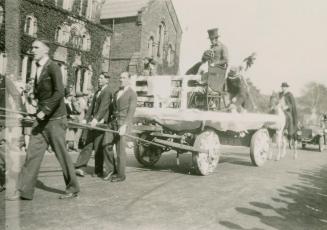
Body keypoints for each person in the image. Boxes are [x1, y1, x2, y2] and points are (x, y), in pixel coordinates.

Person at [6, 39, 80, 200]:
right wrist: (33, 97)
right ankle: (24, 190)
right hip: (41, 121)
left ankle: (73, 187)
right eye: (32, 47)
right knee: (32, 154)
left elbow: (59, 92)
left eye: (36, 47)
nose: (33, 50)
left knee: (61, 155)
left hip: (55, 120)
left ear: (46, 50)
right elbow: (43, 93)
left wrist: (44, 111)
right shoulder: (38, 67)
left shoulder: (53, 67)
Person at [74, 73, 113, 177]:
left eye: (101, 78)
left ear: (107, 80)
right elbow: (91, 107)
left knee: (98, 146)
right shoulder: (97, 92)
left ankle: (98, 170)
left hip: (100, 123)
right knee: (88, 144)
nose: (99, 80)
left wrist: (96, 119)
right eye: (99, 78)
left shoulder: (107, 91)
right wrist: (86, 119)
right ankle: (80, 167)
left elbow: (104, 107)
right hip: (93, 122)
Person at [103, 72, 137, 182]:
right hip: (112, 122)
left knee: (120, 150)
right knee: (106, 145)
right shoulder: (116, 92)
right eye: (120, 77)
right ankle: (111, 170)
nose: (121, 80)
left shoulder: (132, 94)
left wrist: (125, 125)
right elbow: (112, 108)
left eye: (124, 77)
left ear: (129, 79)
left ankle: (121, 175)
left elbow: (131, 111)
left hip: (123, 123)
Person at [279, 82, 298, 158]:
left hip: (287, 111)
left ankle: (290, 130)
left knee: (289, 117)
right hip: (280, 110)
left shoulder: (290, 94)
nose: (283, 88)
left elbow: (292, 104)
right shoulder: (280, 94)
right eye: (282, 87)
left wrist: (286, 107)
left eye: (284, 87)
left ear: (287, 88)